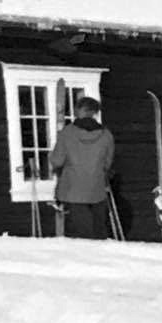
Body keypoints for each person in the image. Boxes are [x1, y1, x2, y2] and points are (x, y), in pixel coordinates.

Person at [50, 96, 115, 239]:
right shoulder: (106, 135)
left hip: (72, 191)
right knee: (98, 235)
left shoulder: (67, 133)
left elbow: (57, 161)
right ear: (95, 112)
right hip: (97, 191)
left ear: (79, 110)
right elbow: (107, 163)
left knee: (78, 238)